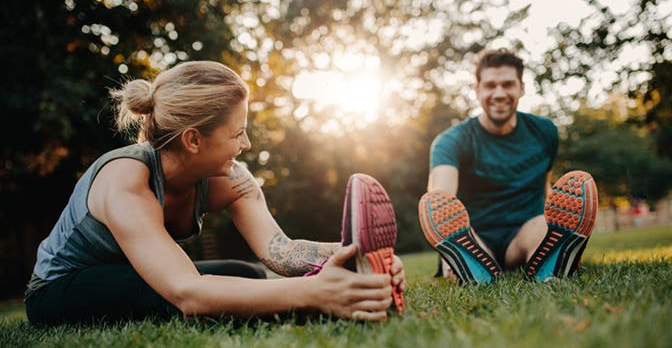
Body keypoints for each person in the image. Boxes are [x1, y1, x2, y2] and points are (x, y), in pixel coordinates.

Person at [25, 61, 405, 325]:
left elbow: (282, 252)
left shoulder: (231, 179)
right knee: (178, 299)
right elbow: (188, 292)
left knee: (248, 276)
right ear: (193, 139)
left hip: (134, 275)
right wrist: (315, 294)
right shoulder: (126, 179)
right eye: (236, 133)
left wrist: (357, 258)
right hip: (63, 287)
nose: (248, 143)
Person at [418, 48, 598, 284]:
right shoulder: (452, 141)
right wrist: (443, 244)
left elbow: (544, 185)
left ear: (521, 88)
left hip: (524, 233)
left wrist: (551, 222)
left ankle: (552, 259)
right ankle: (463, 260)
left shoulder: (544, 132)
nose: (499, 93)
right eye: (490, 85)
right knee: (466, 239)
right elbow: (441, 198)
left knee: (543, 227)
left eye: (508, 84)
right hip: (476, 235)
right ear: (477, 90)